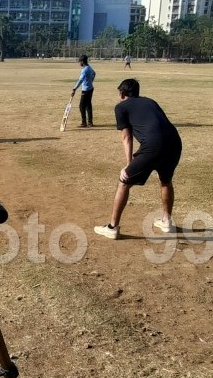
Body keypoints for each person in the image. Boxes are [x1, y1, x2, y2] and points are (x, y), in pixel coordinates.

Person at [94, 78, 182, 240]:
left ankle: (112, 227)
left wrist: (128, 164)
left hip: (153, 146)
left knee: (124, 181)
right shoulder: (150, 101)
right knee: (166, 180)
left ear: (122, 94)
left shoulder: (121, 107)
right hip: (174, 142)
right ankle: (167, 221)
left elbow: (126, 137)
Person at [71, 54, 96, 127]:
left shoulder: (84, 70)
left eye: (80, 62)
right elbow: (94, 73)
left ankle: (84, 122)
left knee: (81, 106)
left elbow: (80, 80)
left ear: (82, 61)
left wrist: (74, 88)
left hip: (86, 90)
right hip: (91, 88)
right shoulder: (89, 67)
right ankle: (90, 122)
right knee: (88, 105)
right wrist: (91, 81)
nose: (79, 63)